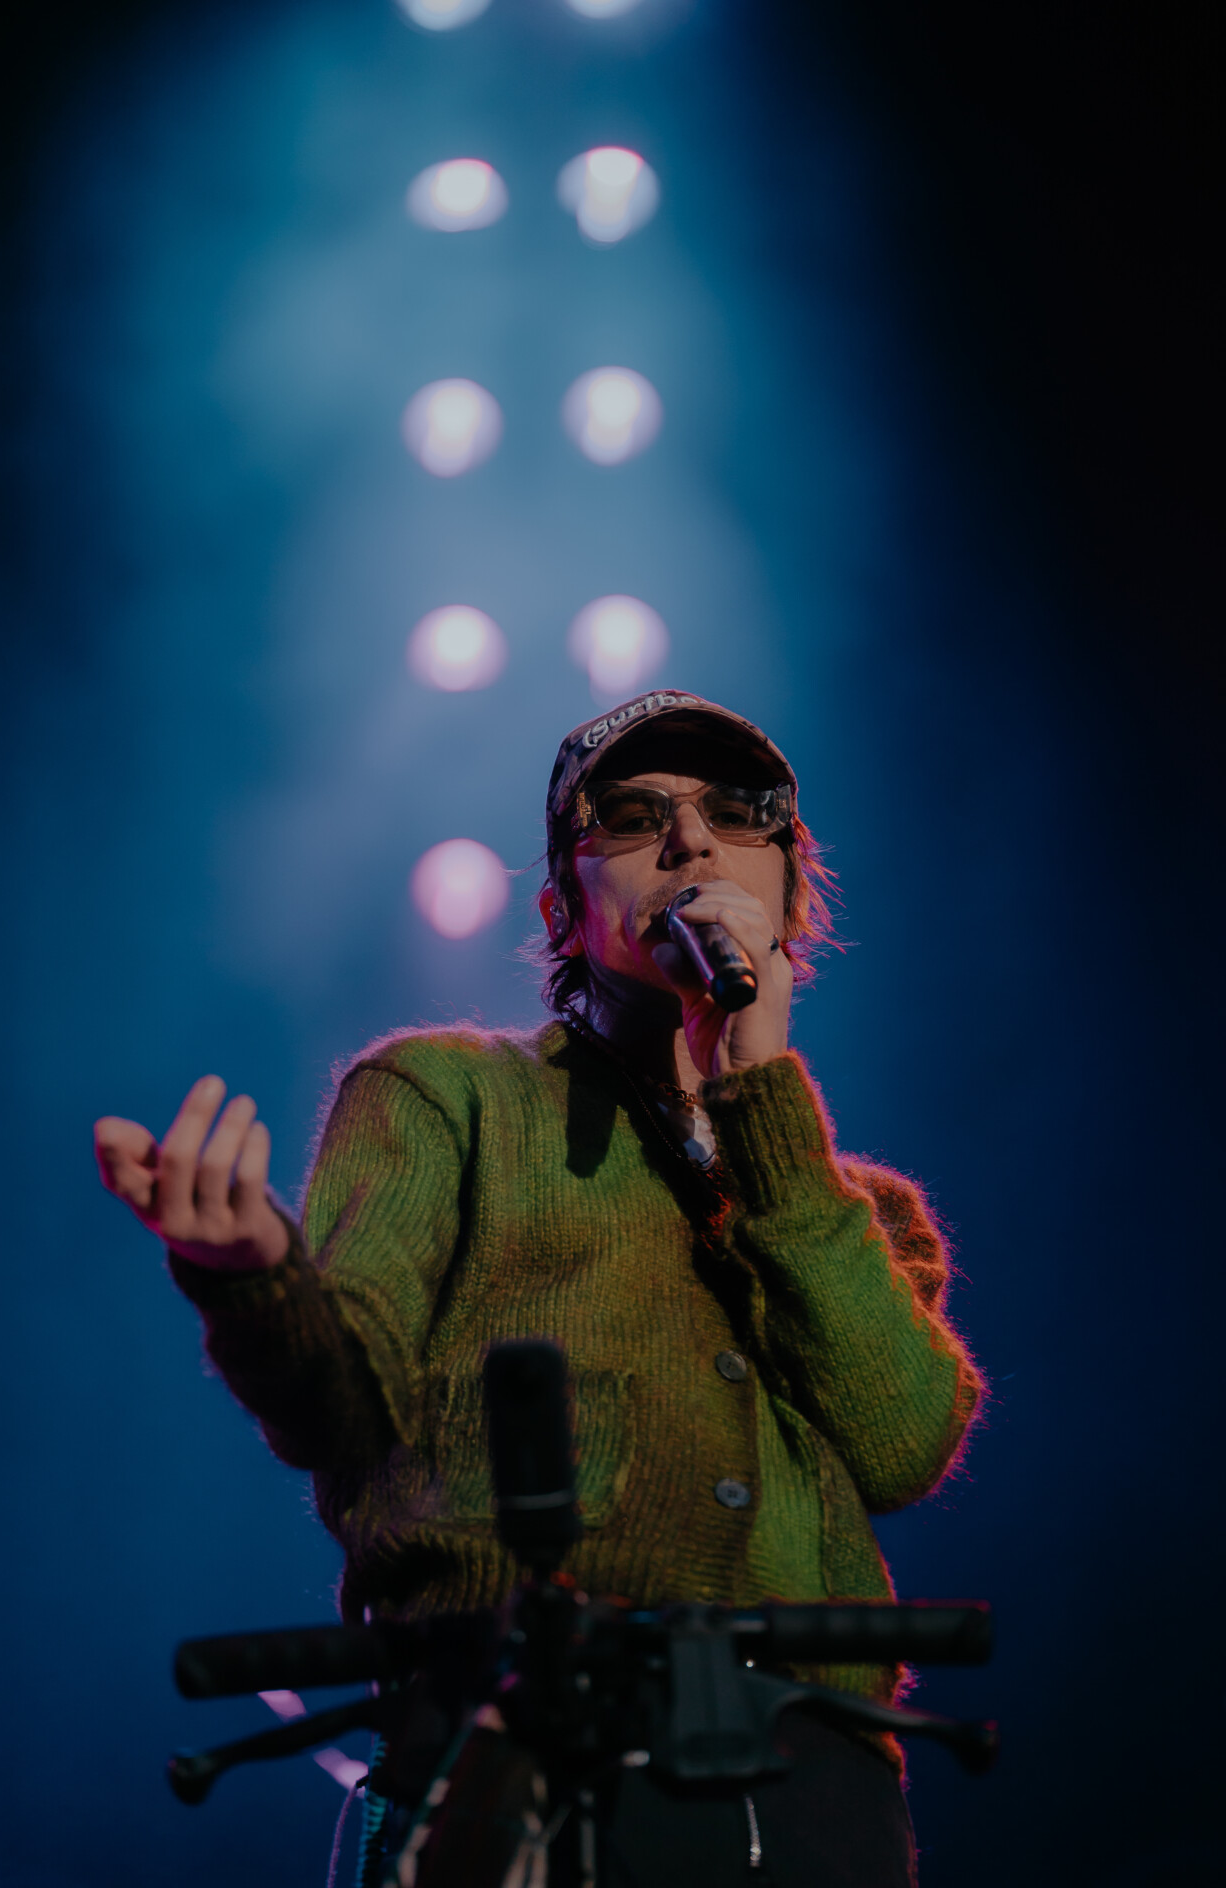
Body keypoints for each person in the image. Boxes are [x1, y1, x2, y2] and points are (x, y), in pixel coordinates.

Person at [95, 690, 982, 1886]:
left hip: (808, 1783)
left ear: (789, 893)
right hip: (507, 1750)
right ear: (564, 903)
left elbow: (902, 1442)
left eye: (736, 812)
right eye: (633, 815)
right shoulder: (443, 1095)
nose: (690, 840)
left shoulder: (857, 1211)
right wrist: (252, 1278)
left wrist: (759, 1098)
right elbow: (341, 1410)